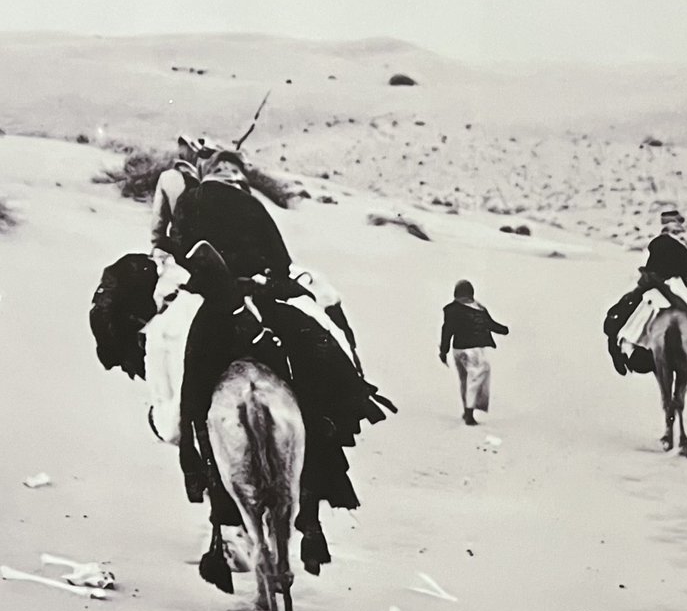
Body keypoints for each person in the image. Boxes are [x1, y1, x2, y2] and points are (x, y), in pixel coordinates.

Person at [166, 148, 394, 578]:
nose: (231, 175)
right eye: (230, 169)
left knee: (194, 399)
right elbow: (281, 261)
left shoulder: (191, 200)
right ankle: (315, 503)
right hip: (264, 304)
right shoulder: (251, 203)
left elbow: (180, 249)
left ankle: (204, 487)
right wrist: (268, 280)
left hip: (216, 310)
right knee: (320, 367)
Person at [603, 210, 687, 384]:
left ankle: (620, 344)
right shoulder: (671, 242)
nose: (672, 228)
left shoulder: (678, 241)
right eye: (669, 225)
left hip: (670, 281)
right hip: (669, 281)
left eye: (674, 224)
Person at [439, 280, 509, 425]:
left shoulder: (451, 309)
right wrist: (504, 330)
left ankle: (467, 410)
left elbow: (447, 331)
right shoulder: (479, 309)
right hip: (473, 350)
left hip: (457, 350)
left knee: (464, 380)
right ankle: (469, 413)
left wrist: (443, 351)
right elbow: (490, 324)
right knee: (476, 378)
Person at [150, 135, 210, 263]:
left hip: (179, 246)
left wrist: (157, 246)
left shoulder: (167, 177)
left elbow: (158, 220)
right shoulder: (210, 178)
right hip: (208, 249)